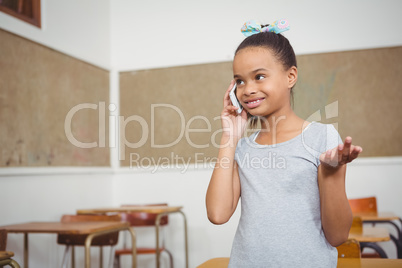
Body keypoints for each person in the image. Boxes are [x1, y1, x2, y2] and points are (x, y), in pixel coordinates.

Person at [205, 19, 363, 267]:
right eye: (240, 81)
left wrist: (330, 172)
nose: (247, 90)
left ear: (290, 76)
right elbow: (217, 214)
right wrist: (230, 137)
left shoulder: (322, 138)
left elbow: (338, 236)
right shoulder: (242, 148)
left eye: (259, 76)